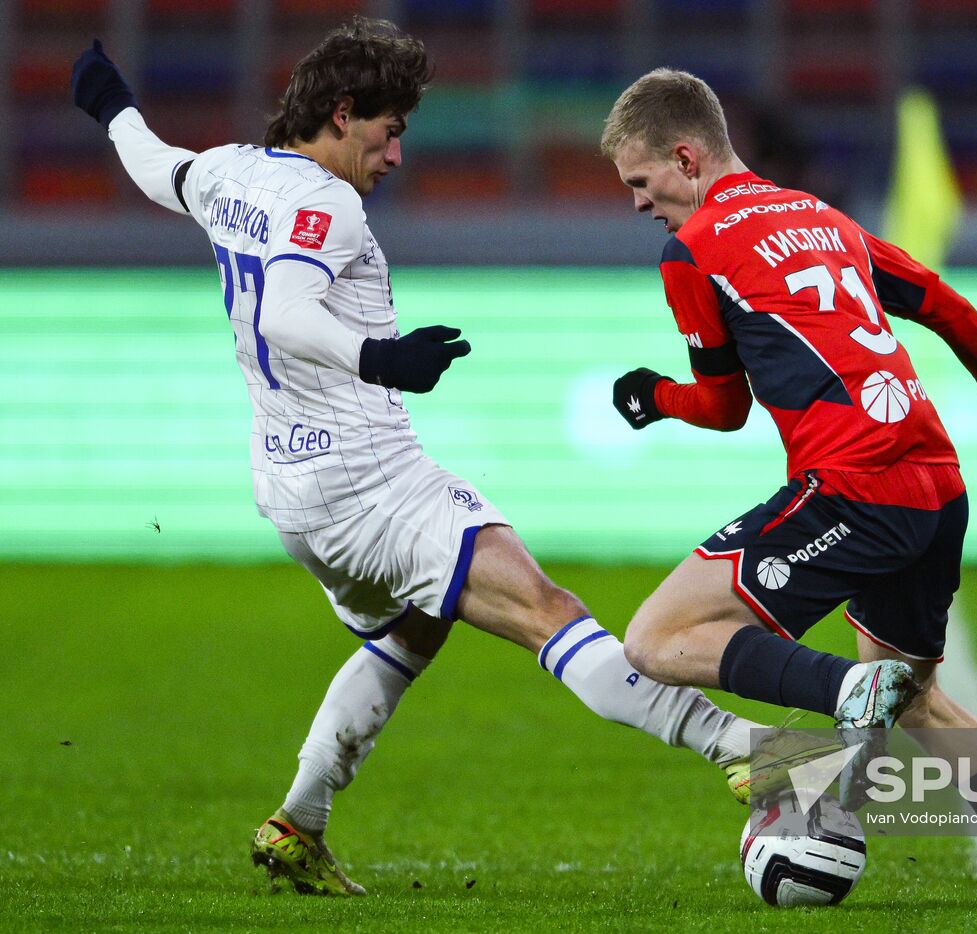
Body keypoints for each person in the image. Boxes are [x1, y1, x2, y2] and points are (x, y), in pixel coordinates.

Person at [71, 19, 768, 898]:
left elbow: (150, 161)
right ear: (342, 111)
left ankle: (300, 821)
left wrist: (109, 104)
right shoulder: (327, 204)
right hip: (371, 483)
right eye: (389, 131)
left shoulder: (226, 172)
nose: (395, 156)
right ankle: (747, 752)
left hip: (291, 493)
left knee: (415, 626)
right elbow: (286, 310)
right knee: (548, 610)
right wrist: (383, 359)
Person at [600, 68, 977, 909]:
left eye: (642, 182)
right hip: (937, 487)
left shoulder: (691, 251)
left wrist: (654, 397)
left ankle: (839, 705)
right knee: (920, 704)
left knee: (655, 639)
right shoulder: (818, 214)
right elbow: (938, 299)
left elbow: (725, 408)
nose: (639, 204)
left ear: (686, 157)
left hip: (854, 487)